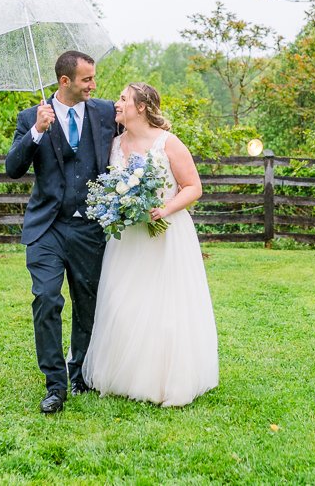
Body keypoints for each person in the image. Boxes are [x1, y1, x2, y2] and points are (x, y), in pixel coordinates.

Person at [82, 82, 219, 407]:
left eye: (123, 98)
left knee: (163, 305)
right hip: (128, 237)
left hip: (165, 233)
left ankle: (163, 379)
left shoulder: (167, 143)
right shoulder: (114, 144)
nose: (117, 103)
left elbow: (193, 187)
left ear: (141, 106)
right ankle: (123, 375)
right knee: (124, 301)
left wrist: (164, 208)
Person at [5, 50, 118, 414]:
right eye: (87, 79)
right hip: (47, 227)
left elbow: (137, 127)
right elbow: (12, 168)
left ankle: (80, 372)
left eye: (94, 78)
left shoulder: (102, 112)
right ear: (65, 81)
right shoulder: (31, 117)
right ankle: (55, 385)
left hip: (89, 227)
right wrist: (37, 131)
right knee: (47, 299)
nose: (93, 85)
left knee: (88, 304)